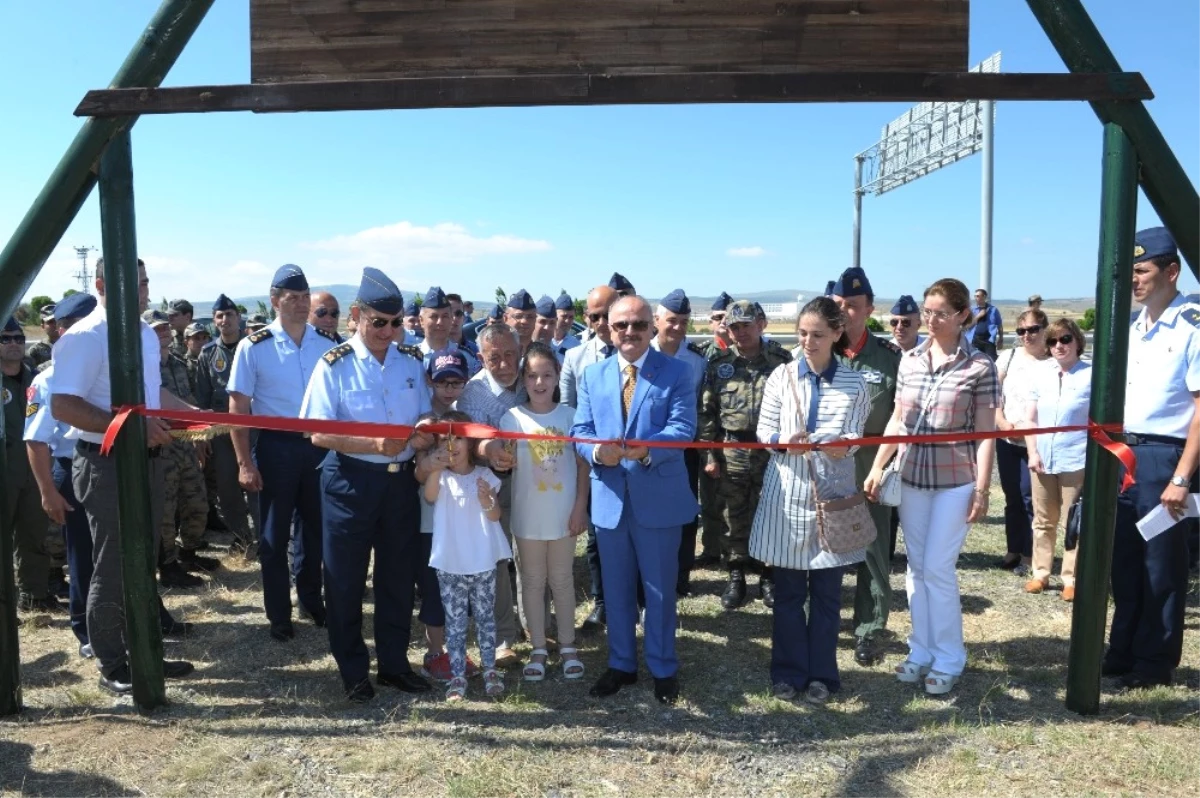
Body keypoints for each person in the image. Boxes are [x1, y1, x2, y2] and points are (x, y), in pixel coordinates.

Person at [51, 257, 196, 695]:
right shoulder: (85, 337)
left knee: (143, 559)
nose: (144, 292)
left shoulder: (144, 334)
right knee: (113, 565)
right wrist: (132, 427)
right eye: (134, 284)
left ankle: (145, 652)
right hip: (105, 462)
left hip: (145, 462)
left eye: (146, 283)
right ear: (100, 284)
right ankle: (114, 663)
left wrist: (197, 418)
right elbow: (65, 406)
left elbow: (153, 394)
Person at [299, 267, 434, 701]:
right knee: (345, 581)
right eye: (378, 321)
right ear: (356, 315)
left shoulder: (411, 360)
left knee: (397, 579)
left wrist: (427, 428)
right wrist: (373, 443)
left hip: (400, 487)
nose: (388, 331)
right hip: (350, 484)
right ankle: (353, 670)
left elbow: (426, 414)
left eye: (396, 323)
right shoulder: (333, 364)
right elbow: (317, 432)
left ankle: (394, 664)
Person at [865, 278, 998, 696]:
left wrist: (981, 489)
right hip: (912, 479)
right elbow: (898, 420)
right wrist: (878, 465)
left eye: (940, 312)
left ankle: (949, 656)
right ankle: (920, 649)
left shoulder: (979, 366)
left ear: (962, 315)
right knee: (916, 568)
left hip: (955, 482)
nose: (931, 319)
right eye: (928, 311)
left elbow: (986, 434)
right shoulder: (910, 360)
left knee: (938, 568)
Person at [571, 294, 697, 704]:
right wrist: (594, 451)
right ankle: (621, 664)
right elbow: (581, 429)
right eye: (621, 324)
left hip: (657, 499)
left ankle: (663, 667)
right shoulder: (593, 375)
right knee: (617, 590)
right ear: (607, 326)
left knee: (659, 590)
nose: (630, 332)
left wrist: (645, 449)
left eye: (639, 324)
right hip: (610, 500)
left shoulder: (677, 373)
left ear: (653, 327)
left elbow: (682, 429)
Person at [751, 297, 870, 704]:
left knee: (827, 595)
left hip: (833, 500)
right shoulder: (780, 378)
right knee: (787, 593)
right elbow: (764, 431)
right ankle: (786, 672)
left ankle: (823, 675)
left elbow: (856, 436)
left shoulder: (856, 383)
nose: (807, 341)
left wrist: (844, 448)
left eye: (817, 334)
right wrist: (784, 445)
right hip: (787, 498)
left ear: (838, 334)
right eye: (802, 333)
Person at [1104, 227, 1199, 689]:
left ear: (1171, 271)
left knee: (1161, 565)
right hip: (1126, 456)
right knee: (1124, 561)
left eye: (1142, 271)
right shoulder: (1134, 328)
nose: (1135, 280)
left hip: (1166, 458)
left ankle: (1155, 660)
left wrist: (1181, 478)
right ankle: (1121, 650)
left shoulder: (1193, 324)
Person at [228, 264, 338, 642]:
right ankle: (278, 614)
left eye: (306, 297)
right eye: (292, 298)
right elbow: (238, 409)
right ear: (275, 301)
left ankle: (310, 599)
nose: (301, 304)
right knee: (274, 537)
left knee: (315, 532)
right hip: (276, 447)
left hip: (318, 446)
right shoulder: (252, 346)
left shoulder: (326, 345)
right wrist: (244, 462)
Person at [500, 343, 589, 682]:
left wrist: (580, 506)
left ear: (557, 377)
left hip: (565, 516)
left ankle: (568, 645)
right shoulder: (513, 418)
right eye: (533, 375)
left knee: (563, 581)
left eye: (547, 375)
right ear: (523, 379)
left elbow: (582, 468)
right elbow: (504, 460)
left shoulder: (569, 417)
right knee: (533, 583)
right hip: (527, 519)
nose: (540, 383)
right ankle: (538, 646)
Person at [699, 299, 793, 610]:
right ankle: (736, 575)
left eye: (746, 325)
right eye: (734, 326)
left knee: (770, 511)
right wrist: (710, 455)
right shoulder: (719, 364)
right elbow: (708, 413)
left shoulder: (782, 361)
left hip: (771, 449)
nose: (740, 332)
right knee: (732, 514)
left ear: (762, 324)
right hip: (732, 448)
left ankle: (767, 574)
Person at [829, 267, 901, 667]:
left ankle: (869, 629)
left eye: (853, 306)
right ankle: (818, 621)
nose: (845, 312)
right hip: (825, 470)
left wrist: (883, 466)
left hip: (870, 468)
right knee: (821, 551)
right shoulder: (821, 352)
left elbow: (900, 416)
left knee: (872, 552)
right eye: (838, 305)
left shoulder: (890, 359)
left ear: (869, 309)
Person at [23, 293, 98, 655]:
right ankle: (85, 630)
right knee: (82, 554)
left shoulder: (105, 372)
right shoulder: (49, 379)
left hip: (108, 466)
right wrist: (47, 492)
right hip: (71, 470)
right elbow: (36, 440)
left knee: (110, 553)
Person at [424, 410, 511, 701]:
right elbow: (430, 496)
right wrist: (434, 466)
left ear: (470, 442)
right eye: (444, 439)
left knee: (486, 619)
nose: (452, 445)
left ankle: (490, 671)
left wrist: (487, 500)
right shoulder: (441, 478)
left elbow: (496, 514)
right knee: (455, 623)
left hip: (482, 562)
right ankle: (457, 675)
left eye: (458, 438)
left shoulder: (485, 475)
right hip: (450, 564)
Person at [457, 323, 529, 667]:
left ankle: (537, 625)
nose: (504, 364)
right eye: (494, 357)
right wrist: (489, 448)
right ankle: (504, 637)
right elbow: (469, 441)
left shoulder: (533, 381)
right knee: (499, 560)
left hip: (533, 483)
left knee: (532, 553)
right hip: (491, 485)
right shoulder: (472, 393)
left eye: (510, 355)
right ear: (481, 358)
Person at [560, 284, 620, 630]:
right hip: (593, 458)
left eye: (607, 314)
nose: (601, 322)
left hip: (636, 457)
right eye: (594, 316)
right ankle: (602, 602)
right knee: (598, 537)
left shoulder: (643, 352)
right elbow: (570, 413)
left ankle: (637, 598)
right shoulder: (575, 357)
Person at [144, 310, 218, 588]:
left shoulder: (177, 363)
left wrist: (199, 432)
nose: (162, 332)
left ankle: (189, 553)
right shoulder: (145, 368)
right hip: (161, 445)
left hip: (185, 443)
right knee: (165, 508)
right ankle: (168, 565)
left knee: (197, 499)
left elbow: (188, 399)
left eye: (164, 327)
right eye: (155, 329)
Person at [1021, 317, 1090, 601]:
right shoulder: (1040, 374)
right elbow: (1030, 418)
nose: (1058, 346)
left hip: (1076, 457)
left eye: (1064, 339)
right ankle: (1040, 573)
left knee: (1072, 521)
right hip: (1042, 459)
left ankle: (1071, 577)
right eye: (1052, 341)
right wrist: (1032, 452)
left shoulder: (1091, 374)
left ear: (1077, 342)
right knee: (1043, 520)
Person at [651, 290, 706, 596]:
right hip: (646, 447)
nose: (677, 327)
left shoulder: (696, 361)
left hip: (683, 449)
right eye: (672, 321)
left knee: (685, 512)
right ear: (657, 320)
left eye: (684, 322)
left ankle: (681, 576)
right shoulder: (643, 353)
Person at [195, 294, 259, 552]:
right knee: (227, 485)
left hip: (253, 426)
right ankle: (241, 537)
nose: (225, 320)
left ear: (238, 317)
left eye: (230, 314)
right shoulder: (208, 354)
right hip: (221, 431)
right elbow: (202, 396)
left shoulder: (254, 349)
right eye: (220, 316)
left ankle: (264, 535)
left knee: (257, 480)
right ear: (214, 321)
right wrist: (202, 435)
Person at [3, 316, 58, 611]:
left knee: (33, 533)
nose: (14, 343)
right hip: (4, 470)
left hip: (33, 470)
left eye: (19, 338)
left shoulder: (33, 378)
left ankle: (34, 595)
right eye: (6, 338)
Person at [994, 308, 1051, 574]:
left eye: (1032, 330)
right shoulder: (1009, 357)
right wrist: (1002, 423)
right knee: (1012, 496)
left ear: (1045, 329)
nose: (1026, 335)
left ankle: (1031, 555)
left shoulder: (1053, 360)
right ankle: (1013, 549)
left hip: (1037, 442)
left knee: (1032, 498)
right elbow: (992, 395)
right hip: (1006, 437)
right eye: (1021, 331)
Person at [695, 291, 735, 569]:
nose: (721, 322)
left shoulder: (745, 355)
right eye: (716, 318)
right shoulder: (700, 357)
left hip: (740, 440)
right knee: (709, 498)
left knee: (739, 500)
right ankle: (711, 549)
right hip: (709, 436)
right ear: (710, 323)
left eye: (727, 318)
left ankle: (738, 552)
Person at [419, 287, 479, 375]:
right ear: (421, 320)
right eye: (434, 316)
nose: (440, 322)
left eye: (445, 316)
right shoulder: (407, 359)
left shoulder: (466, 357)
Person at [428, 348, 469, 415]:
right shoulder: (419, 414)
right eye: (442, 382)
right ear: (429, 380)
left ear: (466, 381)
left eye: (456, 383)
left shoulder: (465, 412)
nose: (449, 390)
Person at [971, 288, 1003, 359]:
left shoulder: (993, 310)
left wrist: (1001, 339)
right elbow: (968, 325)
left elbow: (999, 325)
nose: (976, 298)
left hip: (989, 340)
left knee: (991, 360)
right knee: (975, 361)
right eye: (975, 296)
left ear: (984, 297)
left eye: (978, 296)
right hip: (975, 340)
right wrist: (978, 316)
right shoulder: (972, 310)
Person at [26, 304, 57, 371]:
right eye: (51, 322)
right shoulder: (35, 350)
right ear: (43, 326)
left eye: (57, 320)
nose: (55, 324)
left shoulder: (73, 345)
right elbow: (28, 373)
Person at [551, 292, 581, 358]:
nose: (567, 321)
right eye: (564, 316)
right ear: (554, 315)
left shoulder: (576, 345)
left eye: (571, 317)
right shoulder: (545, 340)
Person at [183, 322, 209, 393]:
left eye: (204, 337)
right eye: (196, 338)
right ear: (186, 342)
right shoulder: (182, 364)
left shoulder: (213, 360)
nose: (202, 342)